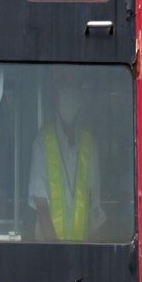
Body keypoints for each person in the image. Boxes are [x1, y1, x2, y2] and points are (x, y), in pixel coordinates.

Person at [27, 68, 102, 241]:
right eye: (64, 85)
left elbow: (94, 208)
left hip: (83, 252)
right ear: (55, 92)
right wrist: (59, 252)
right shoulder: (42, 143)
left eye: (74, 86)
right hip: (50, 251)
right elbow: (42, 209)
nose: (69, 91)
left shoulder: (90, 145)